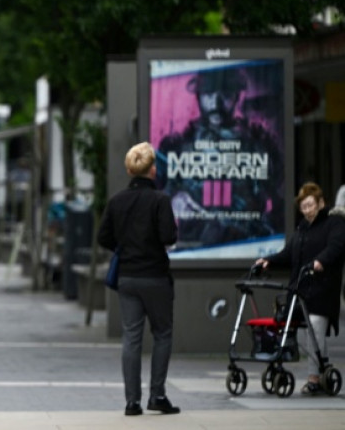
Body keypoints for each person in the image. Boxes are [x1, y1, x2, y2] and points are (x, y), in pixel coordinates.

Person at [156, 67, 282, 250]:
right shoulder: (176, 146)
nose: (216, 103)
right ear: (198, 96)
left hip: (247, 243)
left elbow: (278, 199)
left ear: (237, 95)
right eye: (208, 93)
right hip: (194, 244)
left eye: (226, 94)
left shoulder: (259, 142)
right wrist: (174, 199)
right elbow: (158, 196)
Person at [97, 142, 179, 416]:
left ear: (131, 169)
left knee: (131, 338)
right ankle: (157, 395)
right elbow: (169, 237)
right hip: (155, 276)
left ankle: (132, 402)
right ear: (152, 169)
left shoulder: (117, 201)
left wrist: (126, 246)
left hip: (127, 278)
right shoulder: (160, 200)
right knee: (163, 334)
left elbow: (103, 237)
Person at [254, 182, 345, 395]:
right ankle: (286, 365)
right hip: (300, 292)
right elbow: (288, 253)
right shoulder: (302, 228)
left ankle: (314, 377)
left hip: (322, 291)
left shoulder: (334, 223)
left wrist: (320, 261)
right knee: (284, 325)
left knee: (314, 327)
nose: (307, 211)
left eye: (310, 205)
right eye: (303, 207)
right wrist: (269, 260)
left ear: (321, 203)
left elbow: (336, 246)